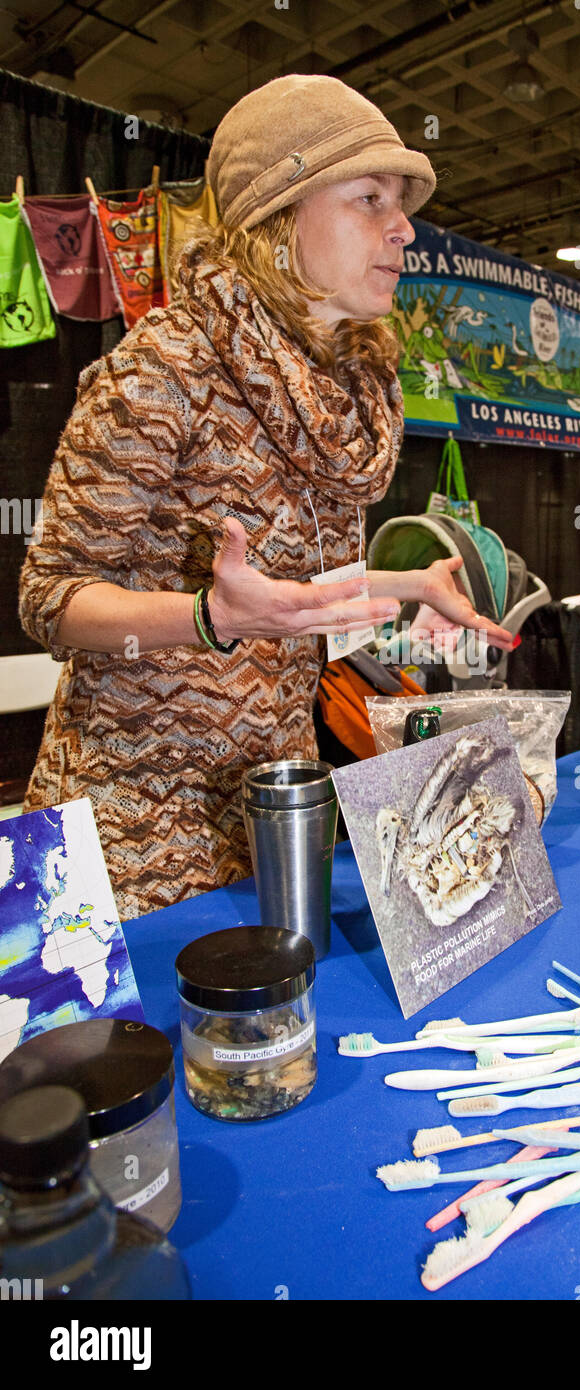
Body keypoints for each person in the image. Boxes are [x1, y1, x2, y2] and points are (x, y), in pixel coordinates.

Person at [18, 75, 516, 920]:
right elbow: (49, 601)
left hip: (273, 807)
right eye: (369, 198)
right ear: (279, 219)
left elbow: (288, 598)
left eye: (402, 204)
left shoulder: (345, 391)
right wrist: (209, 620)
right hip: (132, 837)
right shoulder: (161, 372)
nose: (404, 229)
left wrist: (400, 588)